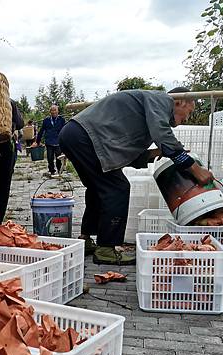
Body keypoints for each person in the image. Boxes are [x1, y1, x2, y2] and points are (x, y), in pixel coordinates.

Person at [58, 86, 213, 265]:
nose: (188, 118)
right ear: (179, 101)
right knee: (117, 188)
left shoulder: (147, 115)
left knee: (98, 188)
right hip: (85, 136)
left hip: (76, 135)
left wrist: (156, 153)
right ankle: (106, 249)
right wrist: (195, 169)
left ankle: (86, 239)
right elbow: (164, 135)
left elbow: (129, 154)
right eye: (189, 111)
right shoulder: (161, 100)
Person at [32, 105, 65, 176]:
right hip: (49, 142)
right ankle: (52, 170)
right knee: (50, 158)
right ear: (50, 112)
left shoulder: (61, 120)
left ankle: (59, 170)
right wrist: (37, 142)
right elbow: (41, 131)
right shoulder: (46, 120)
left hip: (58, 142)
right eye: (52, 110)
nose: (53, 112)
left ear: (57, 111)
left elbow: (64, 131)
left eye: (55, 110)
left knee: (58, 157)